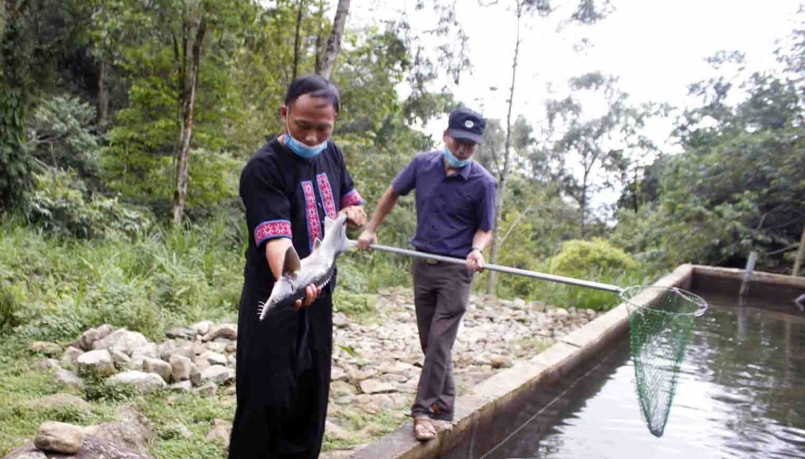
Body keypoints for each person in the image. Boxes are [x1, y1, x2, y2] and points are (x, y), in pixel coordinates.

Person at [229, 75, 367, 459]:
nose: (311, 137)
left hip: (320, 299)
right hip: (274, 303)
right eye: (302, 125)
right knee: (264, 404)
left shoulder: (332, 154)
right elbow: (277, 241)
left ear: (335, 121)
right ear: (284, 113)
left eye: (322, 128)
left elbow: (350, 201)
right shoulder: (264, 169)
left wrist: (354, 214)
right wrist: (290, 282)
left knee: (310, 401)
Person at [356, 107, 497, 442]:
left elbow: (485, 228)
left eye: (470, 145)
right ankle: (444, 405)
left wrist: (477, 250)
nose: (463, 149)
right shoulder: (422, 164)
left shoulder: (483, 182)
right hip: (423, 265)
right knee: (429, 342)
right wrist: (371, 228)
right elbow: (393, 192)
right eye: (458, 141)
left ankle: (422, 412)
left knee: (438, 342)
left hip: (456, 271)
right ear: (445, 135)